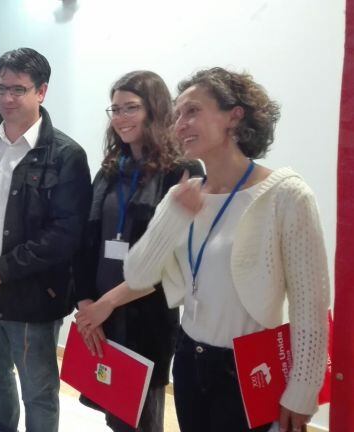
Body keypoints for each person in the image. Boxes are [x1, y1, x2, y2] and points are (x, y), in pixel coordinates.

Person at [117, 68, 329, 432]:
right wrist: (174, 217)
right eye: (178, 114)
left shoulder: (286, 196)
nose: (180, 124)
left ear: (235, 115)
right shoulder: (183, 195)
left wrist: (303, 389)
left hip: (249, 368)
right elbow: (137, 274)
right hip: (188, 358)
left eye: (193, 111)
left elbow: (310, 304)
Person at [0, 47, 92, 432]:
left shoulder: (66, 155)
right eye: (1, 88)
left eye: (19, 89)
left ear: (41, 91)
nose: (7, 98)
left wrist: (4, 269)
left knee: (38, 391)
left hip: (32, 297)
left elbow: (66, 234)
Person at [73, 70, 203, 432]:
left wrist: (106, 304)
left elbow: (171, 258)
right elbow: (87, 242)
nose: (120, 118)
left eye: (131, 107)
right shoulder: (110, 170)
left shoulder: (183, 172)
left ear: (155, 110)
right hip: (101, 314)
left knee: (141, 419)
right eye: (115, 109)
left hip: (146, 315)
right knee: (114, 411)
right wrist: (86, 305)